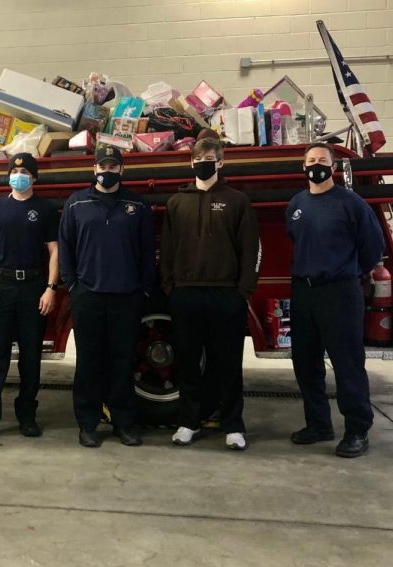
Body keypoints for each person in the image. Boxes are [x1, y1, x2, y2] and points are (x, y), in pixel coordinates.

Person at [161, 137, 260, 451]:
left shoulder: (237, 201)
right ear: (191, 162)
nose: (203, 162)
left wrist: (242, 291)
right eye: (198, 157)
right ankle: (189, 422)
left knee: (228, 364)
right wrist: (170, 288)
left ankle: (234, 425)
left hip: (226, 296)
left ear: (220, 162)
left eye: (209, 157)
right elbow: (166, 250)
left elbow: (251, 250)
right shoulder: (176, 203)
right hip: (185, 296)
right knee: (188, 364)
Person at [286, 142, 384, 458]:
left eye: (322, 160)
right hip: (304, 291)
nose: (316, 164)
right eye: (311, 160)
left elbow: (372, 246)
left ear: (334, 167)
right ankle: (319, 425)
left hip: (339, 292)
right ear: (304, 168)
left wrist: (350, 272)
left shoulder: (351, 203)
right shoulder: (297, 204)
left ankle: (357, 430)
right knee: (305, 361)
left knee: (347, 364)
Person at [59, 144, 155, 448]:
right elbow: (65, 249)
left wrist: (143, 290)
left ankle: (123, 423)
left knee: (123, 362)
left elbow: (147, 251)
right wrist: (73, 286)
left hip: (127, 297)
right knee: (88, 362)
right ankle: (87, 424)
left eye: (113, 167)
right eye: (103, 166)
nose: (107, 171)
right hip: (88, 297)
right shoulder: (76, 204)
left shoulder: (137, 206)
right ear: (94, 169)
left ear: (122, 170)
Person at [0, 153, 60, 444]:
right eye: (14, 171)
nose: (19, 175)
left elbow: (55, 251)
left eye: (24, 171)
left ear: (34, 177)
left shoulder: (45, 210)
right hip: (2, 287)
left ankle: (27, 415)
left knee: (31, 356)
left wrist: (50, 288)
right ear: (9, 175)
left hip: (34, 288)